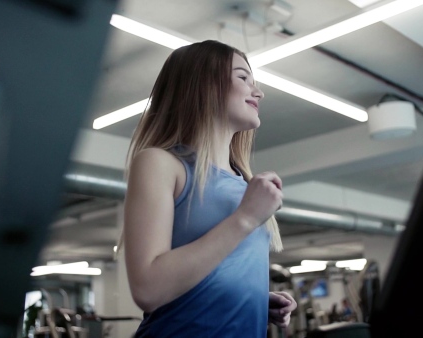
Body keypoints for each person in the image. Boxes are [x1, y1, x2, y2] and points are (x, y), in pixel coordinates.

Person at [121, 40, 297, 337]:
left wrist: (249, 301)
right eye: (243, 78)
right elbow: (148, 288)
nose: (259, 92)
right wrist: (244, 219)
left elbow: (208, 272)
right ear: (203, 84)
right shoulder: (161, 163)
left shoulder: (244, 184)